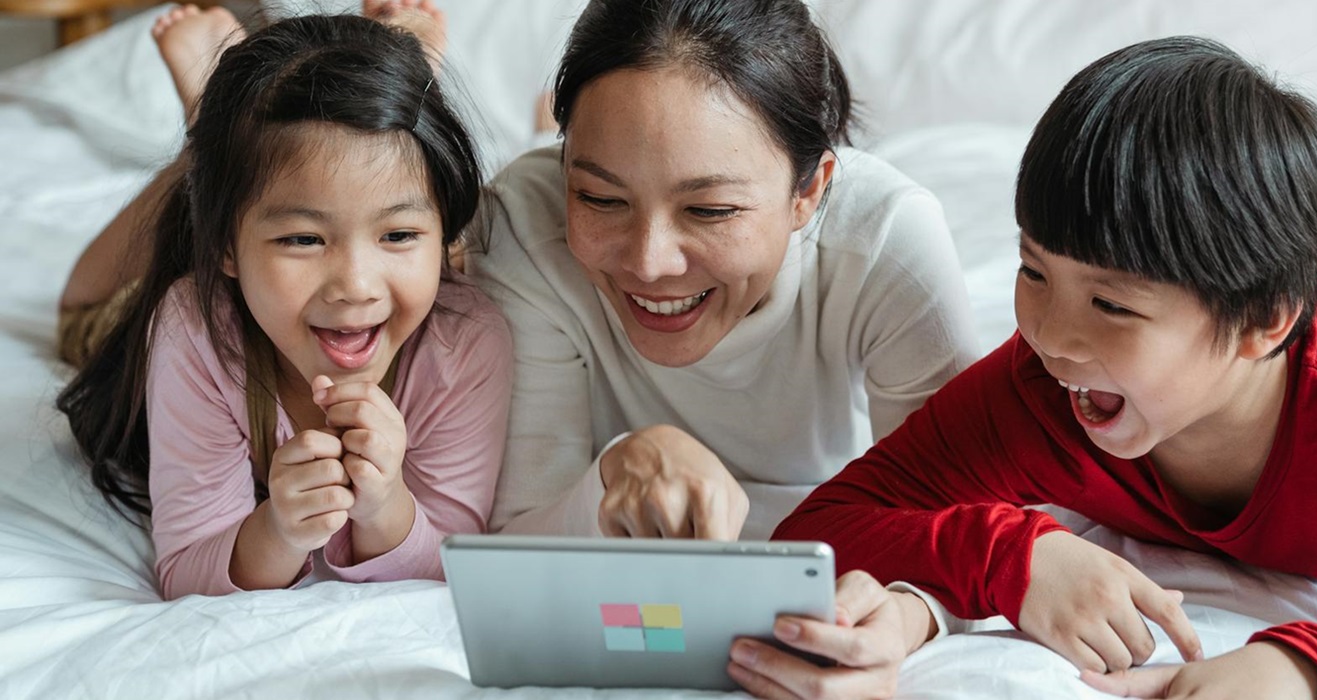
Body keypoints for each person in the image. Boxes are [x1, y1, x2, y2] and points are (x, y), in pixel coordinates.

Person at [768, 0, 1317, 696]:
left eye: (1110, 305)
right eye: (1033, 271)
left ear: (1264, 326)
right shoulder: (1042, 382)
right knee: (1304, 221)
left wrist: (1297, 669)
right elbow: (820, 529)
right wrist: (1011, 557)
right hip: (1269, 266)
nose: (1049, 335)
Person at [472, 0, 979, 547]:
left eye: (709, 210)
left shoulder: (884, 240)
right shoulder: (523, 225)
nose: (649, 264)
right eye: (600, 198)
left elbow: (956, 529)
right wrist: (610, 474)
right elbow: (509, 543)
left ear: (809, 191)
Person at [54, 3, 512, 600]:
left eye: (399, 234)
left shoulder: (466, 342)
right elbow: (187, 568)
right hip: (221, 273)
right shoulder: (195, 326)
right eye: (303, 239)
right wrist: (277, 532)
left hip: (425, 270)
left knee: (409, 229)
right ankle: (205, 147)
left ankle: (377, 94)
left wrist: (386, 507)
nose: (354, 285)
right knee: (79, 316)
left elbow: (455, 564)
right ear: (224, 246)